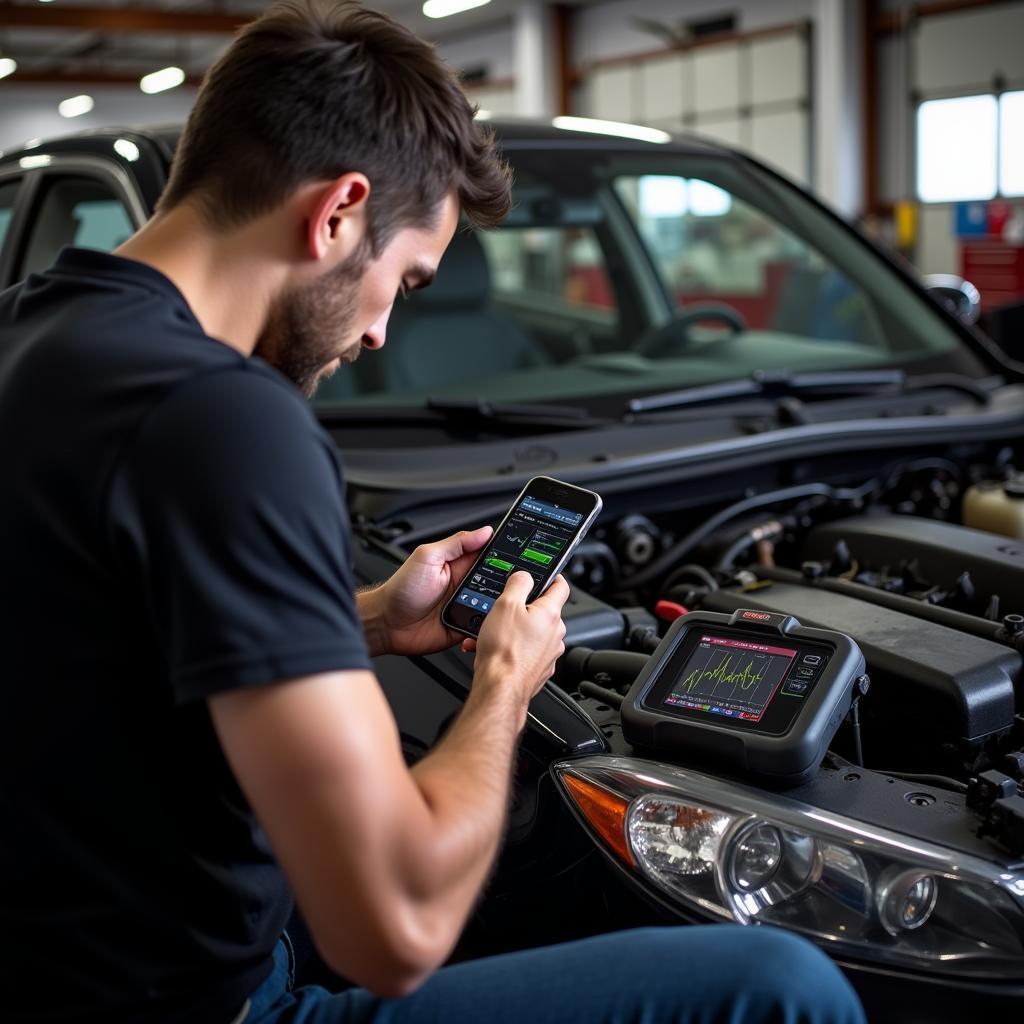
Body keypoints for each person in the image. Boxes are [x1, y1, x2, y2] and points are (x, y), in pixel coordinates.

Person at [0, 2, 867, 1023]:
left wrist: (364, 618)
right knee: (782, 987)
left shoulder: (36, 331)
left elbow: (91, 636)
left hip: (69, 942)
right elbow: (394, 930)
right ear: (337, 213)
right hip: (201, 999)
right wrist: (504, 680)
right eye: (405, 281)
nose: (377, 333)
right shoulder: (228, 421)